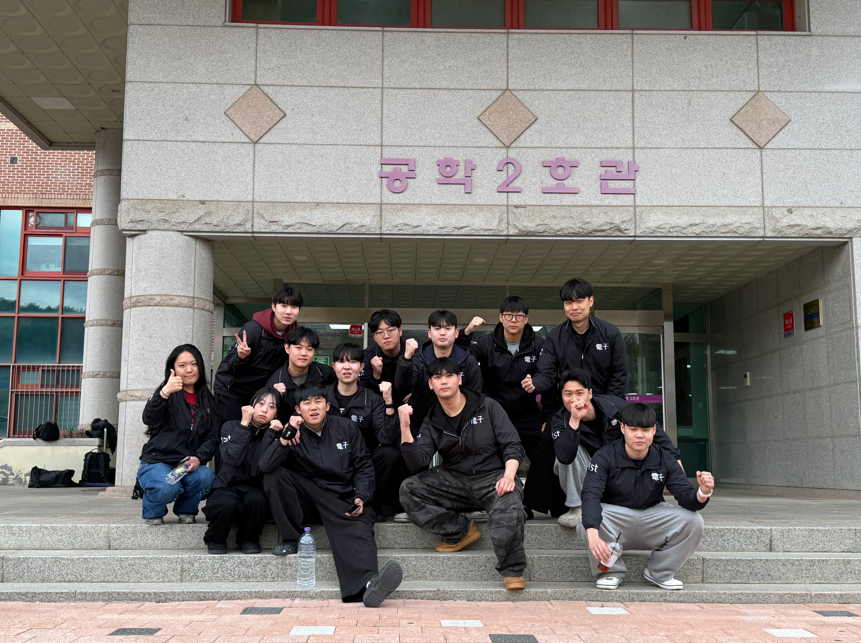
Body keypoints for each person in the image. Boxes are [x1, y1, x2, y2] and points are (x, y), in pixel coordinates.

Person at [260, 384, 404, 607]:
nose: (313, 407)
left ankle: (369, 584)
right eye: (307, 403)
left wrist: (361, 495)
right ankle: (291, 538)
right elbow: (265, 465)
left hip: (341, 498)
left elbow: (364, 465)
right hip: (310, 498)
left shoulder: (346, 427)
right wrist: (286, 436)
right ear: (298, 409)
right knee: (275, 476)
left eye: (318, 402)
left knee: (359, 526)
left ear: (327, 406)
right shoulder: (293, 432)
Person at [398, 357, 528, 591]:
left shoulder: (487, 406)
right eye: (437, 377)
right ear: (430, 384)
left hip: (493, 477)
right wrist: (405, 427)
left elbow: (512, 445)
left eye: (449, 376)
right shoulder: (432, 419)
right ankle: (462, 530)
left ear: (459, 379)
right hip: (455, 480)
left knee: (508, 510)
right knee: (409, 489)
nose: (443, 381)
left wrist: (509, 476)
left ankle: (512, 570)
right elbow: (418, 462)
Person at [522, 278, 627, 522]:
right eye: (568, 302)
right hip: (565, 408)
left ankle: (614, 499)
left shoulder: (610, 333)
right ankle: (531, 504)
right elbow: (547, 374)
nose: (574, 307)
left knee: (612, 448)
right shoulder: (555, 336)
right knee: (547, 443)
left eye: (579, 301)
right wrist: (537, 386)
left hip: (602, 409)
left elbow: (619, 377)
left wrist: (609, 410)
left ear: (591, 301)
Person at [577, 403, 713, 591]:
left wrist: (703, 492)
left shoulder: (665, 458)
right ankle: (609, 571)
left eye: (646, 430)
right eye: (633, 429)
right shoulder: (604, 456)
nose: (639, 435)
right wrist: (592, 534)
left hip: (652, 516)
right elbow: (591, 495)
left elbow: (685, 497)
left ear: (654, 430)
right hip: (616, 518)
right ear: (622, 428)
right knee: (587, 520)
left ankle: (660, 572)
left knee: (693, 520)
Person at [551, 369, 683, 528]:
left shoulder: (614, 406)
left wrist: (675, 458)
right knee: (568, 447)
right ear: (562, 396)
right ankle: (578, 507)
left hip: (620, 469)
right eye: (568, 394)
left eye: (579, 393)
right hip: (590, 473)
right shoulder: (560, 420)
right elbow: (564, 457)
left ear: (590, 393)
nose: (574, 399)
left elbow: (649, 428)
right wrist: (574, 420)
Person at [456, 296, 545, 517]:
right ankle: (491, 500)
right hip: (493, 411)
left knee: (544, 451)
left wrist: (538, 383)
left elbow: (549, 373)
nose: (513, 320)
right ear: (500, 317)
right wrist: (467, 333)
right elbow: (461, 357)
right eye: (508, 315)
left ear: (526, 319)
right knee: (489, 457)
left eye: (519, 316)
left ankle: (529, 502)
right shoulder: (487, 342)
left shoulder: (539, 345)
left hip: (526, 410)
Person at [327, 342, 410, 523]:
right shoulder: (322, 397)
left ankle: (374, 505)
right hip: (328, 459)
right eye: (341, 362)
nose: (347, 367)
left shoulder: (372, 399)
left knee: (390, 454)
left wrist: (389, 402)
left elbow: (386, 438)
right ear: (334, 366)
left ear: (362, 367)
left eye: (353, 362)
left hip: (362, 459)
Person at [137, 344, 218, 526]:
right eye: (182, 365)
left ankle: (186, 510)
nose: (189, 369)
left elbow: (212, 437)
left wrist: (199, 457)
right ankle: (153, 511)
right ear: (172, 369)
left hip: (185, 465)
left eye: (194, 364)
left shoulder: (208, 400)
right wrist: (164, 393)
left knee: (206, 477)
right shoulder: (166, 393)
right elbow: (148, 418)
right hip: (158, 462)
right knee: (166, 486)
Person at [202, 388, 282, 555]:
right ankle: (215, 539)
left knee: (257, 502)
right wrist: (244, 425)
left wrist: (270, 435)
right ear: (251, 405)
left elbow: (258, 468)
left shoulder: (274, 434)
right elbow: (232, 459)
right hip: (226, 485)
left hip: (254, 487)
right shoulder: (230, 426)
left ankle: (248, 539)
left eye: (272, 406)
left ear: (276, 414)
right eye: (261, 403)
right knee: (226, 503)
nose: (265, 410)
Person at [214, 285, 303, 423]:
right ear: (273, 307)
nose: (288, 311)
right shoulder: (253, 329)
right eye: (284, 306)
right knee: (231, 430)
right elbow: (230, 364)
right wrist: (241, 357)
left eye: (294, 307)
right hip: (232, 390)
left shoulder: (294, 336)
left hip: (260, 394)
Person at [394, 310, 483, 439]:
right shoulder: (418, 358)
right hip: (421, 422)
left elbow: (475, 395)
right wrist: (406, 358)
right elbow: (402, 387)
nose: (442, 332)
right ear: (429, 333)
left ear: (456, 333)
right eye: (437, 328)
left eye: (448, 328)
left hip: (457, 423)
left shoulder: (468, 360)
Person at [266, 326, 335, 422]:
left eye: (309, 349)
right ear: (287, 348)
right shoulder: (275, 381)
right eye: (298, 348)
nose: (304, 353)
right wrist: (274, 396)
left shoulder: (327, 373)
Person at [362, 309, 409, 408]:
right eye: (380, 332)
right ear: (374, 337)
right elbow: (366, 392)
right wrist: (376, 376)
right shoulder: (368, 356)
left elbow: (428, 380)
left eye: (390, 330)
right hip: (381, 407)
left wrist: (417, 394)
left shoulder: (415, 348)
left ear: (400, 331)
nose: (386, 336)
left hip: (412, 405)